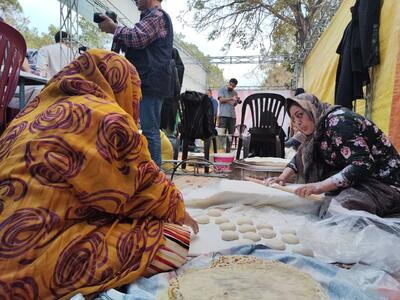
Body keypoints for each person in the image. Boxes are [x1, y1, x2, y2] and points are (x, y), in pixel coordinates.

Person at [0, 49, 198, 299]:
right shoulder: (108, 117)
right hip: (20, 269)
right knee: (174, 240)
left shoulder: (29, 114)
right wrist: (177, 208)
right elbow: (141, 187)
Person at [267, 93, 400, 217]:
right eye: (293, 119)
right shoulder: (317, 129)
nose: (297, 122)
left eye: (300, 114)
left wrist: (319, 186)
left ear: (312, 109)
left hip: (384, 185)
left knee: (337, 209)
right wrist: (283, 177)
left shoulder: (339, 121)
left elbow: (362, 165)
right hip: (360, 180)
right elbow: (301, 156)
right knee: (320, 201)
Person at [98, 0, 174, 167]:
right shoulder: (149, 18)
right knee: (146, 129)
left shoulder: (156, 16)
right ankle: (149, 173)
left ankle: (154, 177)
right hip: (147, 80)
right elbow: (136, 43)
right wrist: (117, 31)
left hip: (151, 81)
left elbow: (137, 38)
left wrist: (114, 29)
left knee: (149, 131)